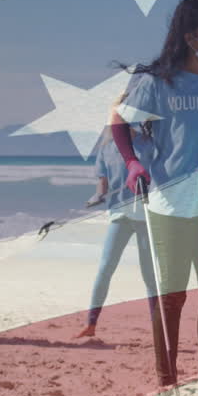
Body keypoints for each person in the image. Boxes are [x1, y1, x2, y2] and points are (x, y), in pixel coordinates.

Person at [110, 0, 198, 387]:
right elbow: (119, 122)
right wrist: (133, 163)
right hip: (169, 202)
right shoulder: (157, 83)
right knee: (171, 297)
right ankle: (167, 379)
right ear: (190, 37)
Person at [75, 121, 159, 339]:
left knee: (149, 275)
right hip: (119, 216)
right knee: (105, 268)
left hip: (144, 215)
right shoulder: (107, 148)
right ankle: (91, 324)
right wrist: (97, 197)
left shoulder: (148, 143)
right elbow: (102, 184)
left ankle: (158, 327)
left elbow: (161, 175)